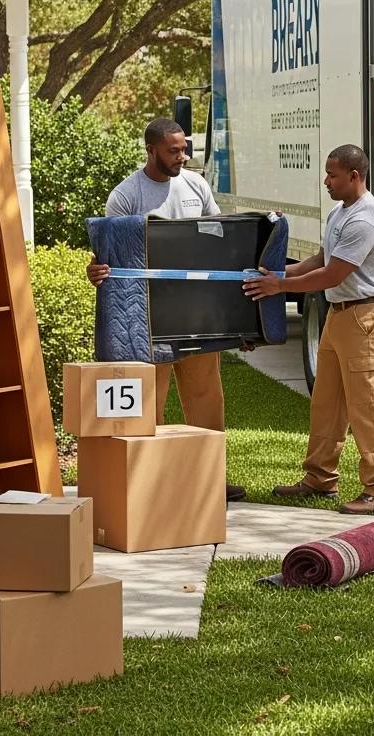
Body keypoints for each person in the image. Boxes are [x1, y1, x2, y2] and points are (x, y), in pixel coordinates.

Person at [86, 116, 246, 503]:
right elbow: (111, 257)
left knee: (207, 397)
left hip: (196, 315)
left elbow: (219, 240)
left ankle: (211, 478)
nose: (182, 156)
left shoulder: (196, 185)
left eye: (184, 148)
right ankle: (151, 482)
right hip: (149, 318)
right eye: (173, 150)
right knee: (148, 404)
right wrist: (97, 270)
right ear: (151, 150)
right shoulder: (125, 195)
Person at [243, 144, 374, 515]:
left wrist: (279, 289)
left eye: (332, 175)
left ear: (354, 177)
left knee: (367, 407)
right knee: (327, 403)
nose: (326, 181)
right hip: (340, 316)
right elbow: (322, 258)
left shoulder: (365, 220)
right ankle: (320, 478)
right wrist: (281, 273)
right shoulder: (339, 212)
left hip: (365, 318)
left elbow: (331, 274)